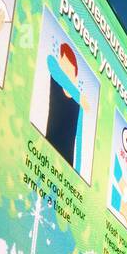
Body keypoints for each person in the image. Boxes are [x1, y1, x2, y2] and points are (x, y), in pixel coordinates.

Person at [45, 42, 95, 172]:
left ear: (75, 75)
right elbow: (51, 62)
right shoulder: (56, 81)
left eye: (68, 70)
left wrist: (76, 173)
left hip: (65, 164)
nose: (64, 73)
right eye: (63, 67)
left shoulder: (78, 106)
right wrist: (78, 95)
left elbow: (79, 142)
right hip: (47, 150)